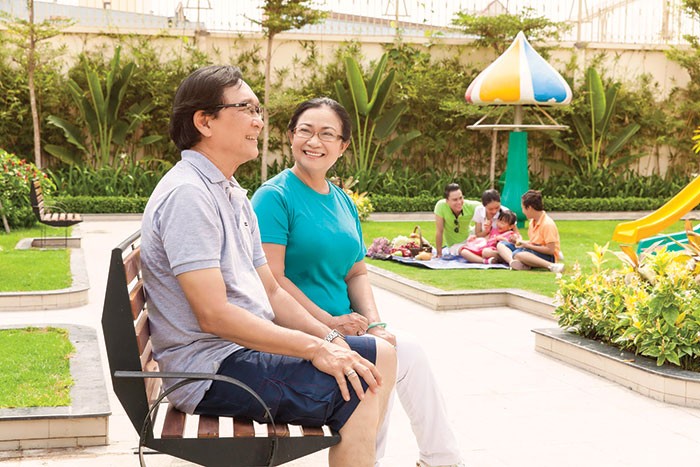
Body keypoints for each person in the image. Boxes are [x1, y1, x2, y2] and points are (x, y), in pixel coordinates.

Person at [139, 67, 396, 467]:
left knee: (380, 354)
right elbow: (214, 315)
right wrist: (317, 349)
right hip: (211, 371)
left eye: (258, 110)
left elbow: (272, 290)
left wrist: (330, 338)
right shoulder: (189, 195)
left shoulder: (229, 192)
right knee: (362, 382)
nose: (259, 122)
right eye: (246, 108)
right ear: (204, 121)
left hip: (238, 354)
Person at [251, 97, 464, 467]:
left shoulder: (342, 200)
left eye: (326, 134)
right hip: (301, 333)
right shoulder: (274, 197)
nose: (313, 141)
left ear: (343, 145)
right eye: (305, 131)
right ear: (290, 136)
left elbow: (357, 272)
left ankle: (439, 460)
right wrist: (330, 324)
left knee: (397, 348)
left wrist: (376, 324)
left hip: (345, 329)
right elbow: (273, 280)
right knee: (387, 357)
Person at [495, 189, 565, 273]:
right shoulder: (532, 222)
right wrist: (519, 242)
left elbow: (550, 250)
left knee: (518, 254)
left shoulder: (547, 224)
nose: (523, 212)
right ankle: (514, 262)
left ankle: (551, 265)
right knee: (501, 244)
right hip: (534, 251)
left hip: (548, 256)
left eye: (523, 208)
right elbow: (534, 242)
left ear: (529, 208)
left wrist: (528, 246)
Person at [434, 182, 480, 258]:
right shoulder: (441, 206)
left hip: (470, 237)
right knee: (465, 251)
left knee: (486, 225)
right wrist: (439, 254)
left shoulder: (471, 206)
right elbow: (439, 231)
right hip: (455, 245)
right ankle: (485, 260)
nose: (459, 202)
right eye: (455, 200)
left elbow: (489, 207)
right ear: (447, 201)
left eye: (461, 198)